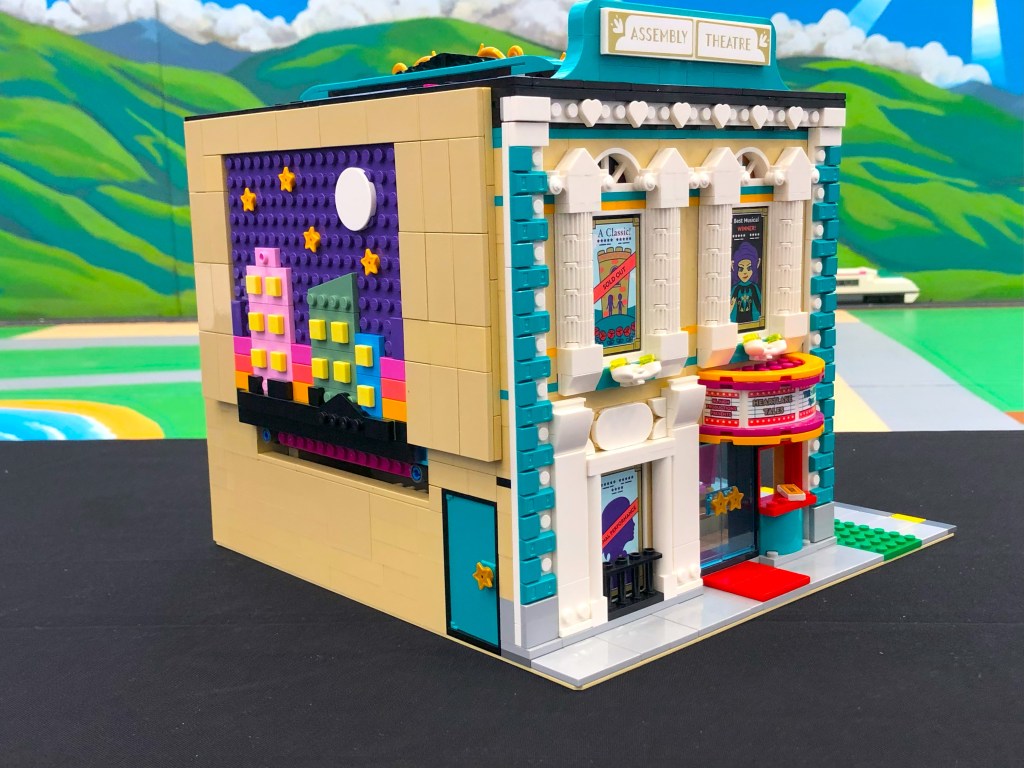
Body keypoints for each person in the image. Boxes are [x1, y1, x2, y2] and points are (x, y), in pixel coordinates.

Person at [730, 240, 762, 324]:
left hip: (751, 320)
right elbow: (732, 309)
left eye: (749, 268)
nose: (745, 272)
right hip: (737, 321)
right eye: (741, 269)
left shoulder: (754, 287)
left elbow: (758, 305)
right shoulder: (735, 288)